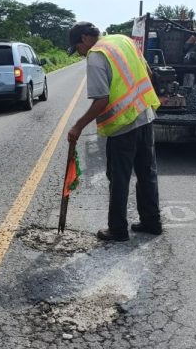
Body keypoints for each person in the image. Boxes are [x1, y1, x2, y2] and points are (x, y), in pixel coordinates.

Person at [66, 21, 162, 241]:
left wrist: (77, 126)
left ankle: (118, 229)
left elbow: (101, 100)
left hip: (123, 124)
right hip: (145, 114)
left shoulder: (96, 55)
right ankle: (152, 222)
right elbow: (148, 72)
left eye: (78, 49)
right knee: (147, 173)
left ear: (84, 39)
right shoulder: (123, 40)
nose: (80, 54)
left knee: (119, 177)